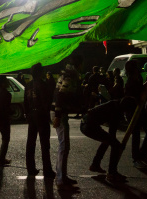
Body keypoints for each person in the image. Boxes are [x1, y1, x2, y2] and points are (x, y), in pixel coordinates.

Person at [51, 55, 82, 190]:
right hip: (59, 113)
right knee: (64, 146)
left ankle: (62, 176)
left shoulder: (67, 74)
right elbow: (60, 94)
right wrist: (57, 115)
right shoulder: (69, 76)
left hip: (60, 112)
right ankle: (60, 179)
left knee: (64, 146)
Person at [80, 99, 127, 185]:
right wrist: (119, 145)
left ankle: (95, 164)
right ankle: (112, 173)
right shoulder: (116, 111)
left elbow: (111, 135)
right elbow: (112, 133)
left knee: (108, 141)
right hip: (90, 126)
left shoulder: (114, 104)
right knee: (115, 144)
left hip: (85, 123)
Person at [25, 63, 56, 178]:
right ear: (40, 72)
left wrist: (28, 114)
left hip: (32, 115)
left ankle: (30, 168)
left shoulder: (28, 85)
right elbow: (46, 102)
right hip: (41, 115)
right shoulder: (43, 85)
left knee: (31, 142)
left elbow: (26, 102)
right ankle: (47, 170)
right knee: (44, 144)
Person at [123, 59, 147, 168]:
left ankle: (142, 155)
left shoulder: (138, 78)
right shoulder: (131, 81)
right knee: (136, 134)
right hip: (132, 110)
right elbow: (131, 96)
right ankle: (136, 158)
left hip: (140, 109)